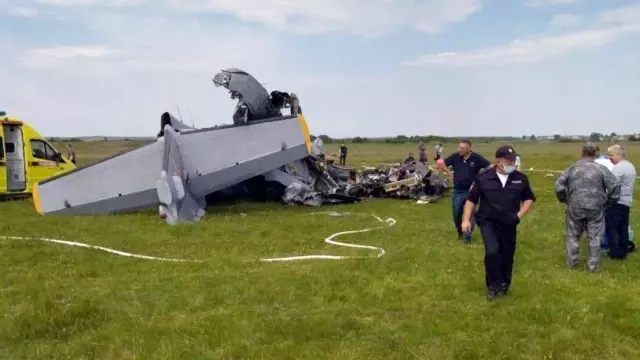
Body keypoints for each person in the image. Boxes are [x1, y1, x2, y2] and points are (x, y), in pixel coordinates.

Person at [462, 145, 535, 300]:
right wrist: (466, 220)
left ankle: (504, 284)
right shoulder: (484, 178)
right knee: (492, 252)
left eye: (513, 160)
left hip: (509, 222)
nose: (512, 163)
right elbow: (471, 200)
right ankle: (492, 286)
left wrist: (518, 216)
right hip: (488, 221)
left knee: (507, 254)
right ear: (498, 161)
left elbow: (529, 199)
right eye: (508, 160)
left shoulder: (520, 179)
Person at [554, 142, 621, 272]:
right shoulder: (601, 168)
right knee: (595, 237)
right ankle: (593, 267)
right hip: (596, 208)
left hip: (575, 207)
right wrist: (609, 202)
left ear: (582, 152)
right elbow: (615, 186)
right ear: (596, 153)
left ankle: (571, 265)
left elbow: (559, 186)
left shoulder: (573, 168)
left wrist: (566, 200)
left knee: (573, 236)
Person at [442, 139, 492, 243]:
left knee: (470, 215)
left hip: (472, 191)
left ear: (469, 149)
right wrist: (449, 173)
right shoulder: (455, 157)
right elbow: (442, 163)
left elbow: (490, 167)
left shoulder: (477, 158)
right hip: (457, 191)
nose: (459, 150)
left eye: (462, 148)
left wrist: (480, 179)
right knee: (456, 214)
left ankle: (466, 238)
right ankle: (460, 231)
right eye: (459, 147)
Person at [605, 144, 636, 260]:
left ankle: (614, 253)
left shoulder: (619, 168)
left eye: (611, 155)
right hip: (626, 202)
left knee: (612, 228)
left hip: (616, 202)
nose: (610, 158)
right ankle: (623, 252)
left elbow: (612, 185)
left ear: (618, 155)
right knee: (623, 228)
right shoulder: (630, 166)